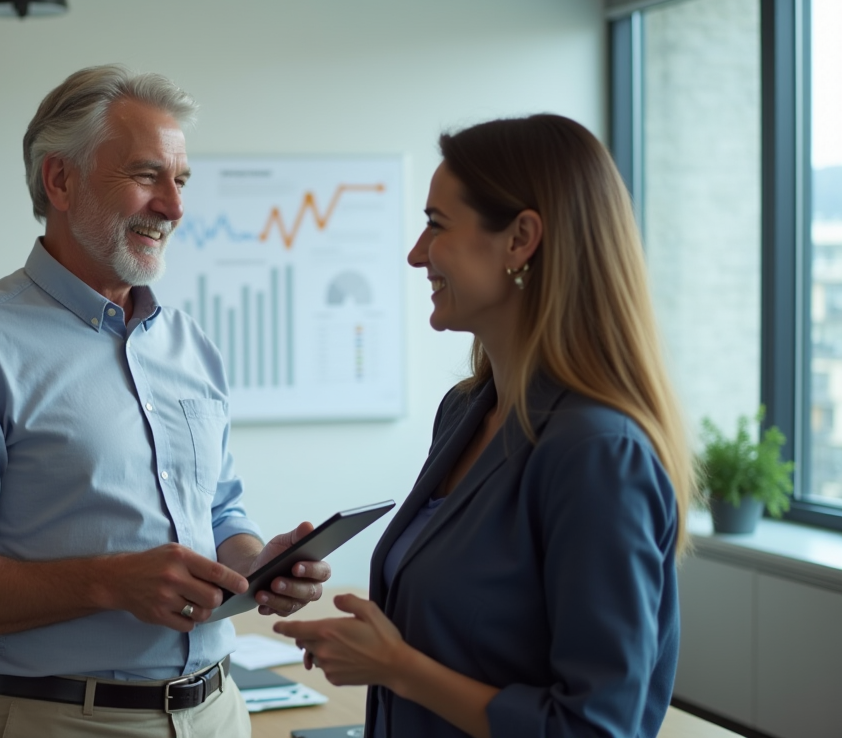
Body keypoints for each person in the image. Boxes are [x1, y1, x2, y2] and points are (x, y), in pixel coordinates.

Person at [0, 65, 329, 738]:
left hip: (220, 711)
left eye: (181, 181)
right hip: (62, 721)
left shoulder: (188, 344)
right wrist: (108, 581)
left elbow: (220, 509)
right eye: (147, 176)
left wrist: (253, 564)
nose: (174, 208)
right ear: (60, 180)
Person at [275, 114, 697, 738]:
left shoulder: (596, 451)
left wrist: (397, 668)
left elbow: (595, 728)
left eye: (437, 226)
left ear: (520, 239)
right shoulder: (465, 411)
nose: (416, 253)